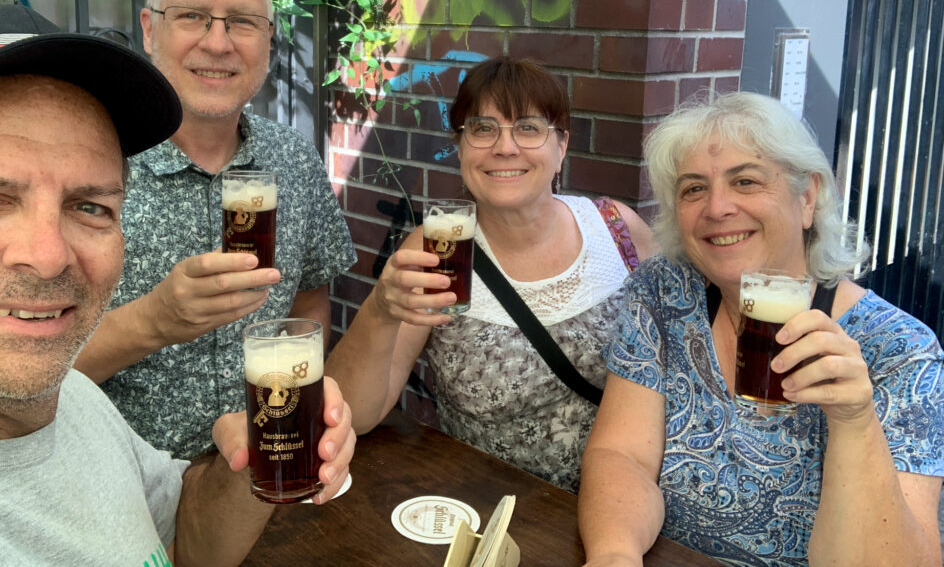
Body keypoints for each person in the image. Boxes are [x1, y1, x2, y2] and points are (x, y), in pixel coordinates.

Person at [0, 5, 354, 565]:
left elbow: (184, 540)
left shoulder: (73, 400)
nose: (49, 256)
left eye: (90, 206)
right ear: (153, 25)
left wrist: (248, 458)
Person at [578, 92, 944, 567]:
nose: (717, 207)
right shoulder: (666, 290)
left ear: (807, 197)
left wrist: (854, 422)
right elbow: (622, 455)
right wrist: (614, 554)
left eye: (745, 181)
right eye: (693, 189)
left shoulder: (899, 349)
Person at [74, 0, 356, 459]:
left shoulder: (292, 158)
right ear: (149, 27)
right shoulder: (86, 164)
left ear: (269, 38)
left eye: (243, 22)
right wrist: (153, 321)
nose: (219, 43)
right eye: (193, 16)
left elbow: (311, 296)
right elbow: (30, 367)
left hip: (266, 478)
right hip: (119, 488)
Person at [326, 56, 656, 491]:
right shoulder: (435, 251)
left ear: (561, 146)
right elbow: (355, 415)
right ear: (460, 148)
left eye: (529, 128)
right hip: (493, 511)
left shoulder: (619, 229)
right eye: (482, 129)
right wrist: (380, 312)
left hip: (626, 507)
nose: (505, 147)